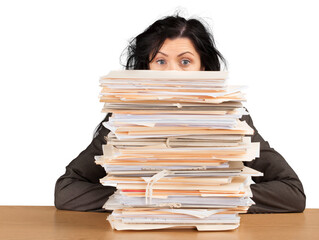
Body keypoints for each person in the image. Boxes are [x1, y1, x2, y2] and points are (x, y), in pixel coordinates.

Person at [54, 14, 306, 213]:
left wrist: (207, 197)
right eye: (161, 61)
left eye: (185, 62)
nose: (171, 73)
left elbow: (292, 193)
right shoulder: (123, 122)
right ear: (147, 68)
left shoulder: (231, 120)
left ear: (202, 67)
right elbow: (67, 190)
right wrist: (141, 199)